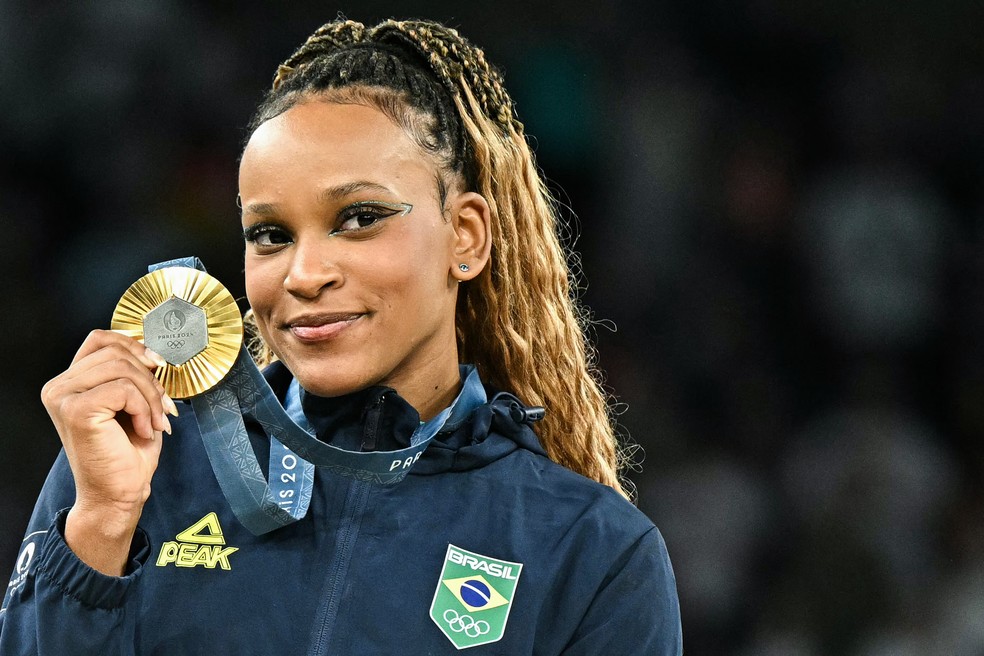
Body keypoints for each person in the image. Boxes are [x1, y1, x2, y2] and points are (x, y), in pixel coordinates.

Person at [0, 17, 682, 655]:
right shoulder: (133, 468)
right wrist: (101, 527)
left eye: (358, 218)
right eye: (270, 235)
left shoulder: (589, 551)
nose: (303, 273)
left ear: (465, 236)